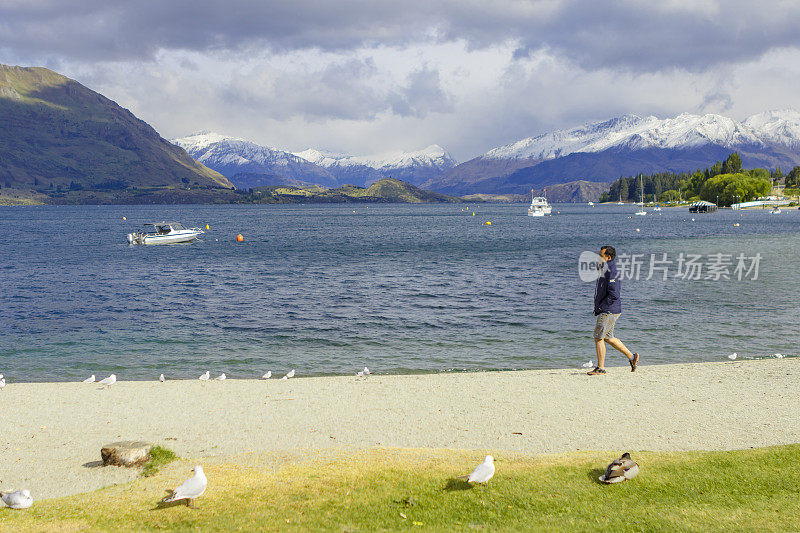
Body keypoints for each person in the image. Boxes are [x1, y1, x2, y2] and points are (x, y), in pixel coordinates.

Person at [588, 245, 639, 375]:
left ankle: (601, 368)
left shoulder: (612, 271)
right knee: (608, 337)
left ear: (608, 257)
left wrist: (603, 307)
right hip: (608, 309)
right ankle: (632, 357)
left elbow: (614, 294)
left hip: (609, 310)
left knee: (598, 337)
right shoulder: (605, 268)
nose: (598, 257)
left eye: (601, 255)